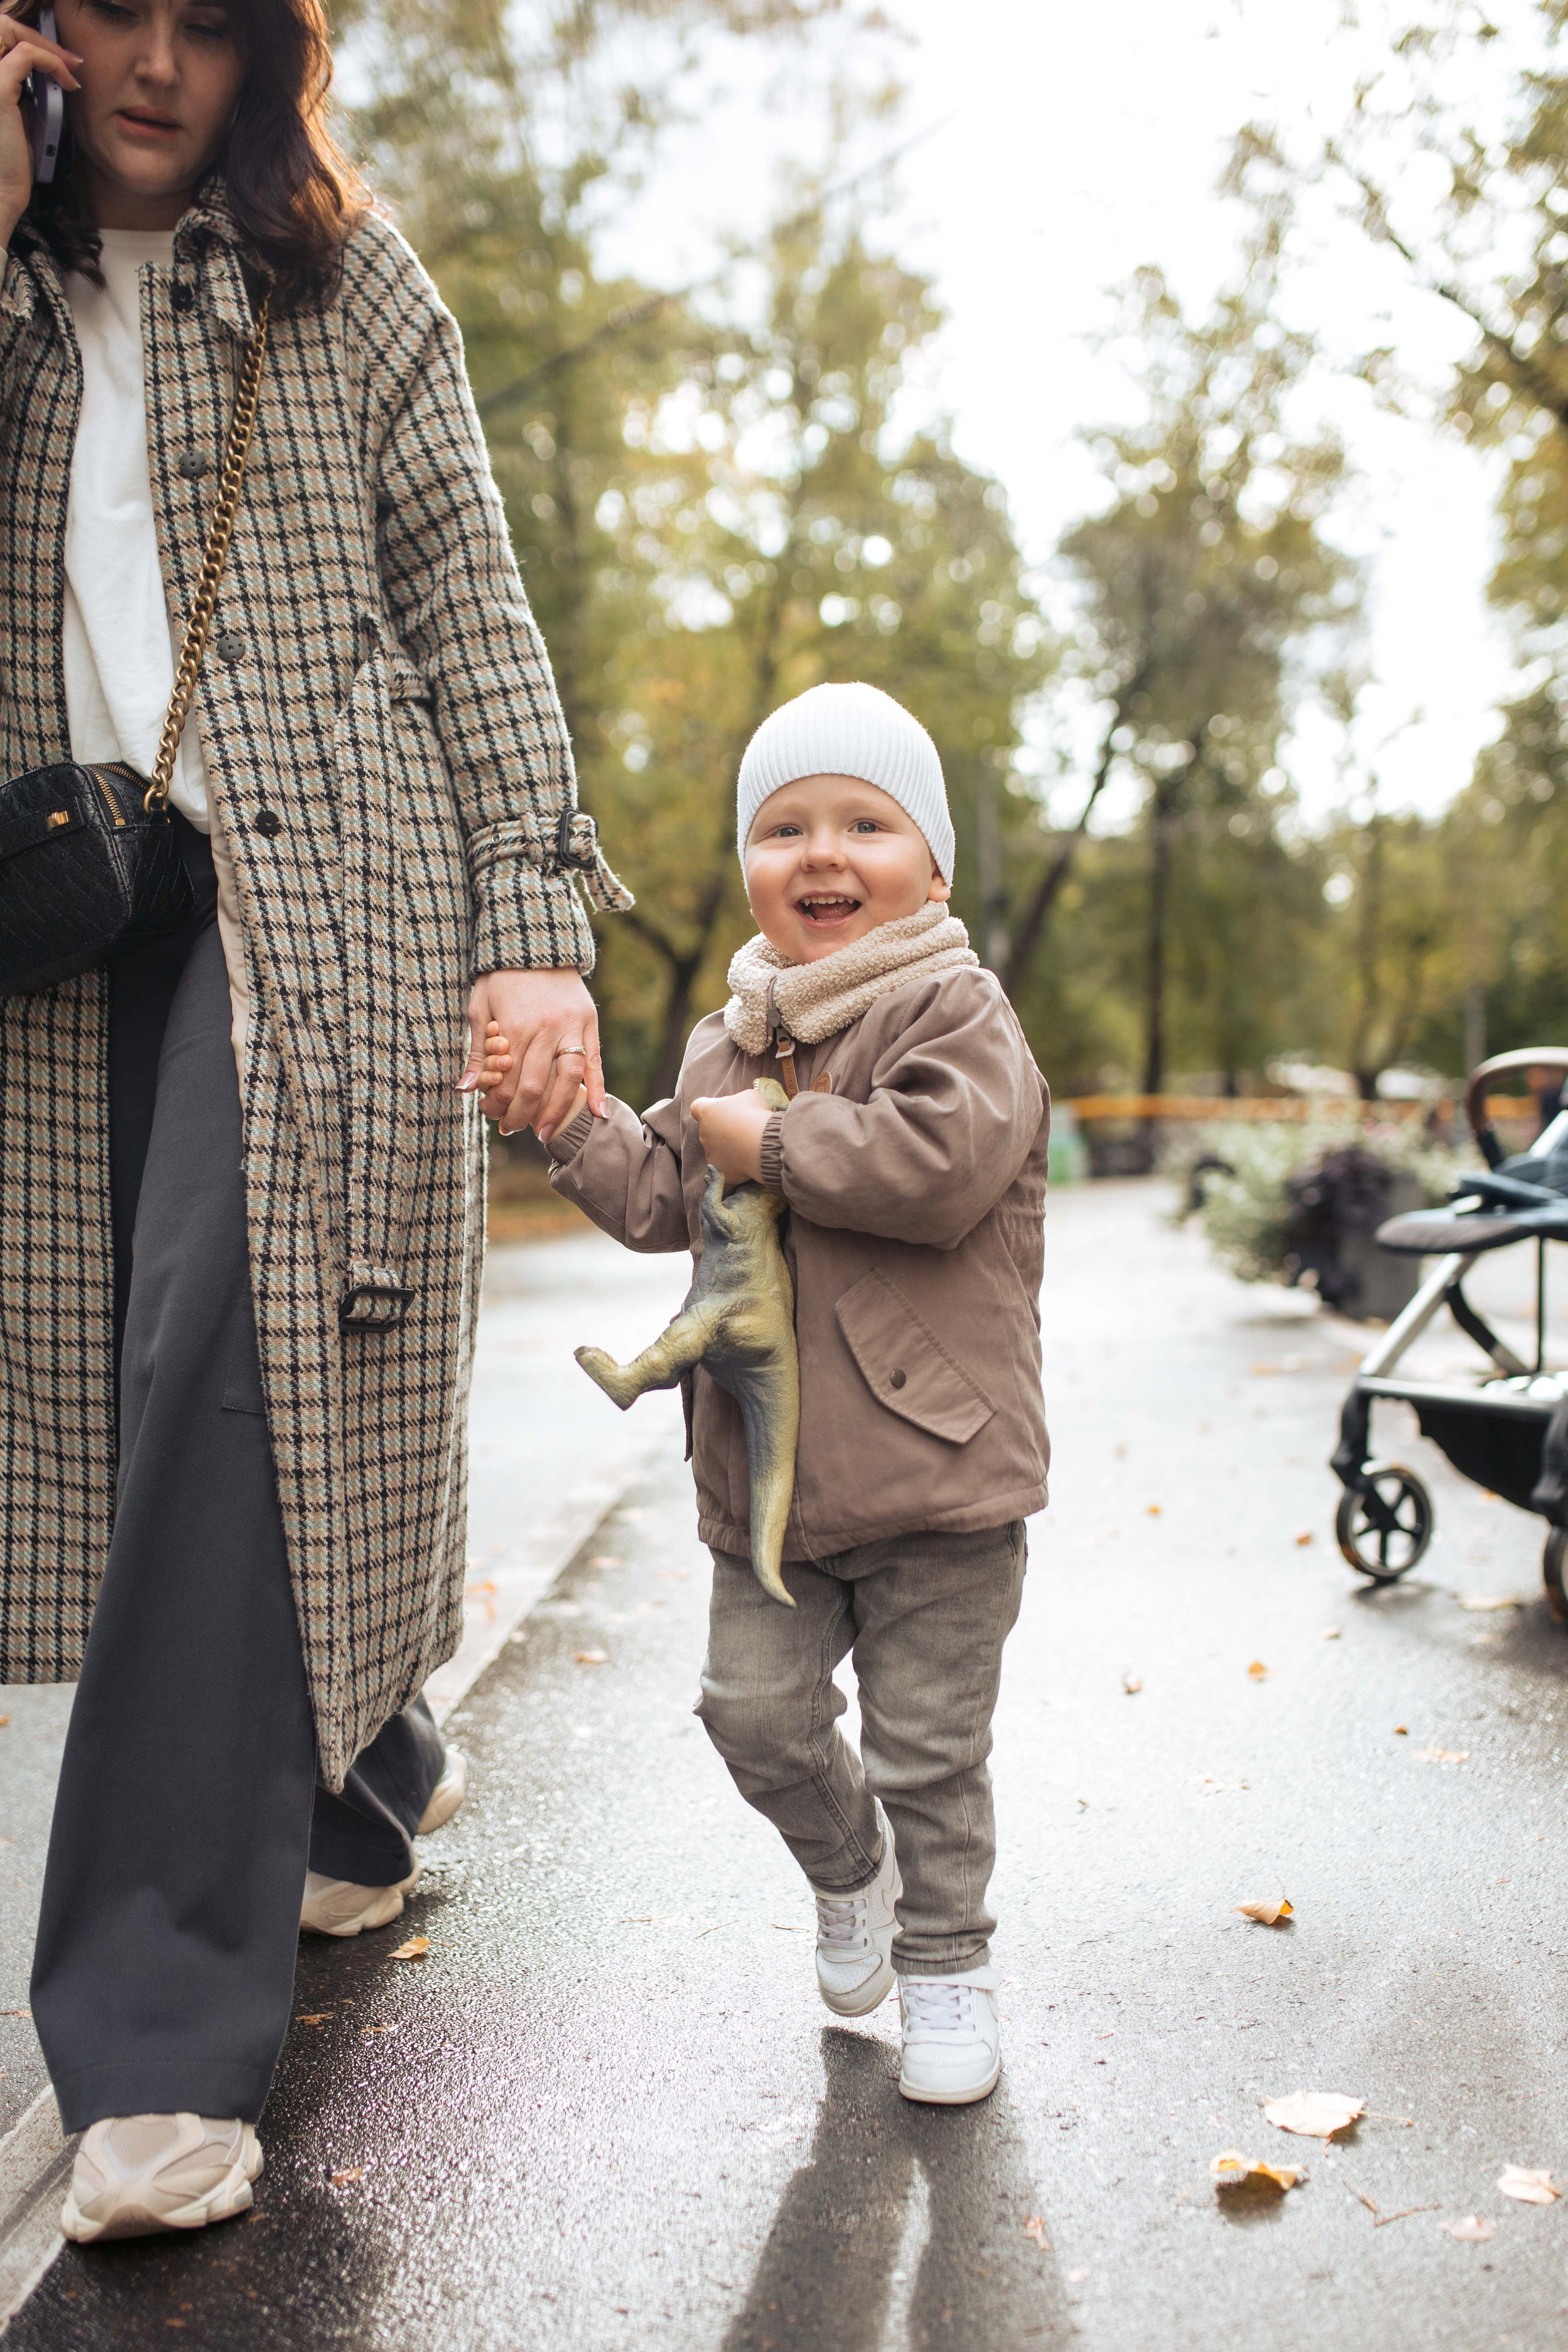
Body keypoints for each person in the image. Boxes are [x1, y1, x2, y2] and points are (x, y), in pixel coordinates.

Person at [0, 0, 624, 2240]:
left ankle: (157, 2039)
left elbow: (473, 606)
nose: (157, 66)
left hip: (317, 907)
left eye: (208, 22)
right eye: (109, 13)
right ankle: (358, 1790)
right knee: (199, 1391)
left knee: (238, 1374)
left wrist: (536, 919)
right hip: (51, 931)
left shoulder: (352, 288)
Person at [504, 681, 1049, 2104]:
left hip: (937, 1473)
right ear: (747, 864)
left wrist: (777, 1138)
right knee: (750, 1712)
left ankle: (947, 1972)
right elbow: (664, 1196)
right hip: (768, 1480)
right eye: (784, 826)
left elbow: (936, 1174)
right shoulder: (723, 1040)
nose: (822, 854)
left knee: (932, 1752)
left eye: (864, 823)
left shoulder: (959, 1010)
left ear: (928, 862)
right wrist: (569, 1119)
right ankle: (848, 1869)